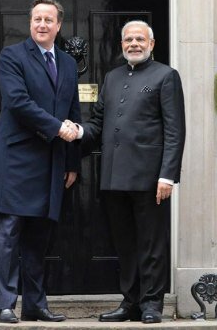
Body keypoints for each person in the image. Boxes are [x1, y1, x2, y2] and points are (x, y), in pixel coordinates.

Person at [74, 20, 185, 323]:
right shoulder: (111, 77)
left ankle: (151, 304)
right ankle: (130, 302)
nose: (133, 44)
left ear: (152, 44)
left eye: (140, 39)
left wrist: (167, 175)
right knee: (125, 245)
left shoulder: (166, 76)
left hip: (150, 179)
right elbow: (98, 123)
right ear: (122, 44)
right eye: (128, 40)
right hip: (113, 178)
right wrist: (77, 133)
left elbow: (175, 131)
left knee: (151, 245)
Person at [0, 0, 81, 323]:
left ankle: (35, 305)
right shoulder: (12, 56)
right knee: (8, 235)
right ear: (30, 24)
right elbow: (16, 102)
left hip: (52, 161)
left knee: (39, 238)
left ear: (58, 26)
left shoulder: (68, 64)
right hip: (17, 159)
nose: (42, 24)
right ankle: (3, 304)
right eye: (37, 19)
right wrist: (57, 128)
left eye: (48, 20)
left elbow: (73, 111)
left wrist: (72, 163)